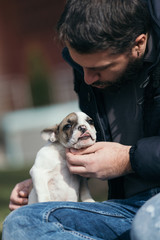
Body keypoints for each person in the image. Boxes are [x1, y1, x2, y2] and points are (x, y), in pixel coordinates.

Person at [2, 0, 160, 239]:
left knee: (148, 230)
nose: (87, 79)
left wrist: (129, 159)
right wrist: (51, 177)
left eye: (99, 68)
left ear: (138, 43)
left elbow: (122, 158)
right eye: (79, 66)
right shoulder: (93, 70)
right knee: (24, 221)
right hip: (125, 209)